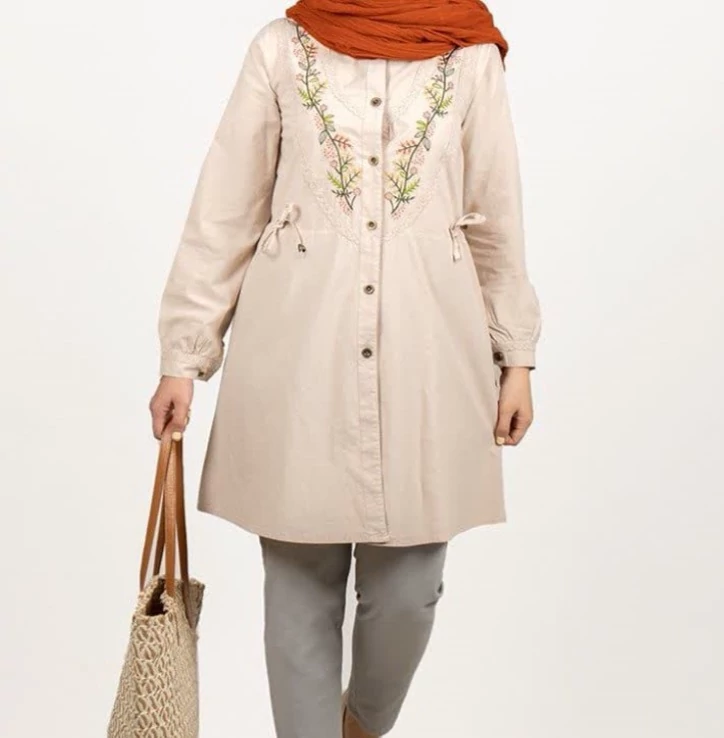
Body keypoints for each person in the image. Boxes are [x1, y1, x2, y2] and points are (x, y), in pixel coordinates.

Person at [148, 1, 541, 736]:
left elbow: (497, 211)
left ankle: (359, 724)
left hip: (430, 356)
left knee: (409, 592)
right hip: (297, 354)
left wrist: (515, 353)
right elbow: (225, 208)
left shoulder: (469, 54)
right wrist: (184, 354)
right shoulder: (282, 46)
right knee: (299, 593)